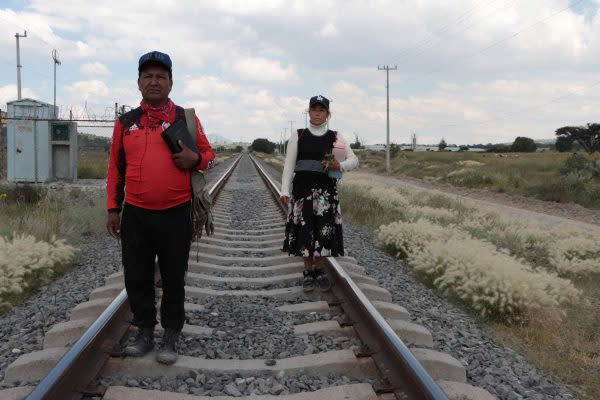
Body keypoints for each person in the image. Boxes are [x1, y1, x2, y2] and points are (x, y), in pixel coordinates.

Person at [106, 51, 215, 365]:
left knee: (172, 278)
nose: (154, 82)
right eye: (148, 76)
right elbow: (115, 167)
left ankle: (170, 333)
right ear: (139, 82)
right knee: (137, 277)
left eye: (160, 76)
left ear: (170, 82)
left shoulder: (186, 119)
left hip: (175, 213)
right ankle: (144, 331)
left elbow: (209, 156)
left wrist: (196, 159)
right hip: (136, 214)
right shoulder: (126, 123)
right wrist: (113, 208)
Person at [280, 95, 359, 292]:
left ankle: (321, 270)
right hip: (302, 193)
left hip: (326, 196)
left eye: (321, 110)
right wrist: (284, 189)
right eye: (313, 109)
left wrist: (339, 165)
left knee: (324, 232)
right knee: (305, 233)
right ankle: (308, 271)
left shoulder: (336, 136)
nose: (317, 113)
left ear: (327, 114)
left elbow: (354, 159)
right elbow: (289, 166)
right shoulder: (298, 135)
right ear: (309, 112)